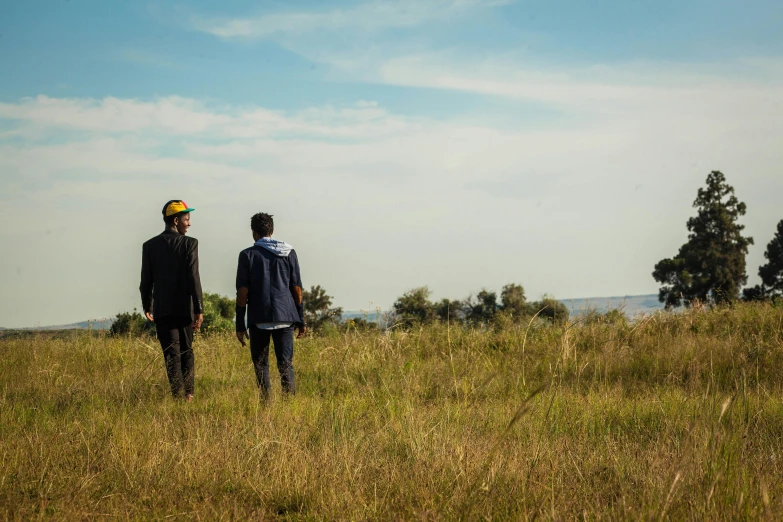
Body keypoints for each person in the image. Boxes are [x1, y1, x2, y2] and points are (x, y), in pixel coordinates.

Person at [235, 213, 306, 399]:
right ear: (272, 230)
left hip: (259, 317)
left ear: (254, 233)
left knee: (260, 364)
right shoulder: (288, 252)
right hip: (286, 316)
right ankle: (290, 402)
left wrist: (240, 325)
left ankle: (266, 403)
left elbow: (242, 293)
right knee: (285, 363)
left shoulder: (247, 255)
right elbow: (297, 289)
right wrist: (302, 319)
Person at [140, 200, 204, 401]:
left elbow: (145, 281)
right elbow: (194, 277)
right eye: (187, 219)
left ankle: (177, 396)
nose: (189, 224)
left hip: (163, 310)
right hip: (185, 308)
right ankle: (189, 394)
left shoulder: (149, 246)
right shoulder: (190, 243)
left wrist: (147, 305)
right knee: (187, 351)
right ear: (176, 221)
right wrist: (199, 309)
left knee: (171, 354)